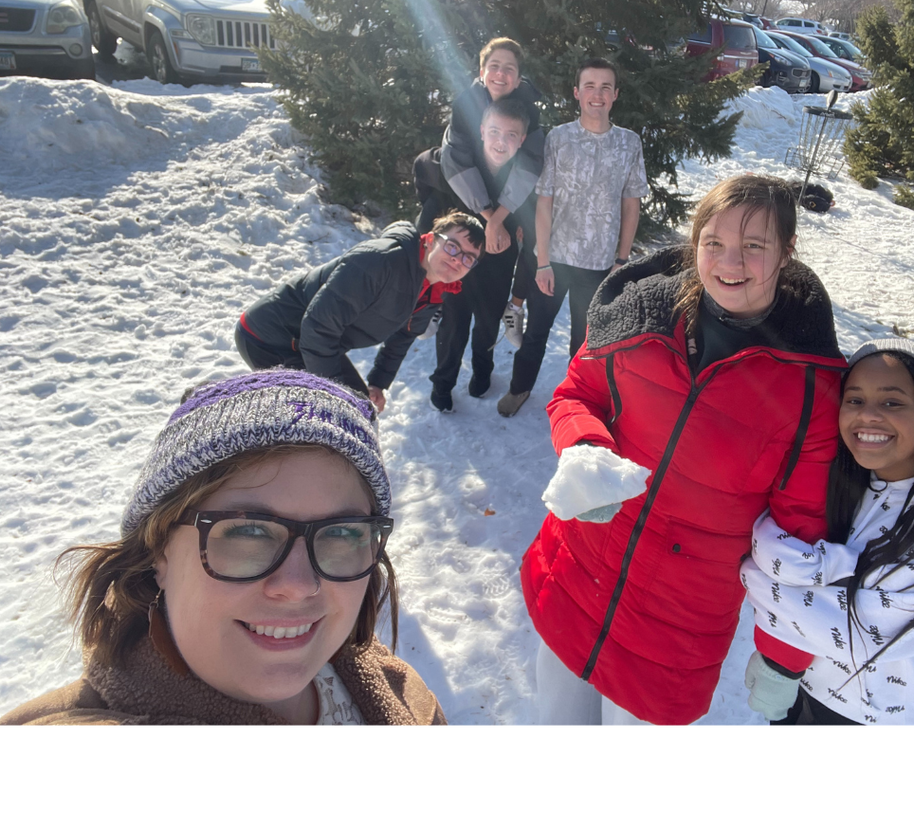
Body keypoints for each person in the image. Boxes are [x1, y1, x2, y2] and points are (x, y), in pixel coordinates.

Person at [520, 174, 847, 724]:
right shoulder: (639, 321)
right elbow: (577, 393)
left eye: (754, 246)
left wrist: (785, 656)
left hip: (673, 630)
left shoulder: (813, 386)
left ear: (787, 252)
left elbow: (803, 533)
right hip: (576, 579)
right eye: (713, 242)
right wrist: (584, 449)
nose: (730, 262)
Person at [0, 370, 446, 725]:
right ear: (159, 550)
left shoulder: (393, 685)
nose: (298, 585)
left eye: (342, 533)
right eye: (247, 532)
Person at [740, 338, 914, 725]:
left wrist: (768, 571)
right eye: (855, 400)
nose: (867, 417)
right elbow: (773, 534)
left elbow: (864, 628)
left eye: (892, 402)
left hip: (876, 717)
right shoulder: (846, 476)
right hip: (802, 685)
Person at [496, 57, 649, 419]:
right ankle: (520, 388)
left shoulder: (629, 144)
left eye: (605, 87)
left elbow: (631, 206)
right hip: (556, 259)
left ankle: (575, 403)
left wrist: (622, 260)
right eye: (590, 87)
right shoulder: (559, 138)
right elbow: (544, 202)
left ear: (615, 96)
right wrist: (543, 260)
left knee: (584, 343)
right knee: (535, 333)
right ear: (577, 93)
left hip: (599, 265)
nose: (597, 94)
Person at [234, 212, 484, 415]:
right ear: (430, 239)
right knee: (312, 426)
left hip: (312, 344)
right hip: (268, 337)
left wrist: (377, 382)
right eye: (452, 247)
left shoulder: (435, 288)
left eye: (468, 258)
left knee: (359, 413)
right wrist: (335, 397)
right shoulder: (379, 262)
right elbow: (318, 327)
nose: (457, 260)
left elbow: (403, 336)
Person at [421, 100, 538, 412]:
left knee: (487, 320)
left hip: (500, 258)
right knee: (453, 321)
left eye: (512, 135)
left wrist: (523, 230)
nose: (502, 141)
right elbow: (434, 206)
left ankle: (482, 370)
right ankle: (443, 382)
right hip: (460, 259)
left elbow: (531, 210)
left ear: (522, 140)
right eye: (495, 132)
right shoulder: (463, 166)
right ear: (482, 132)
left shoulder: (522, 172)